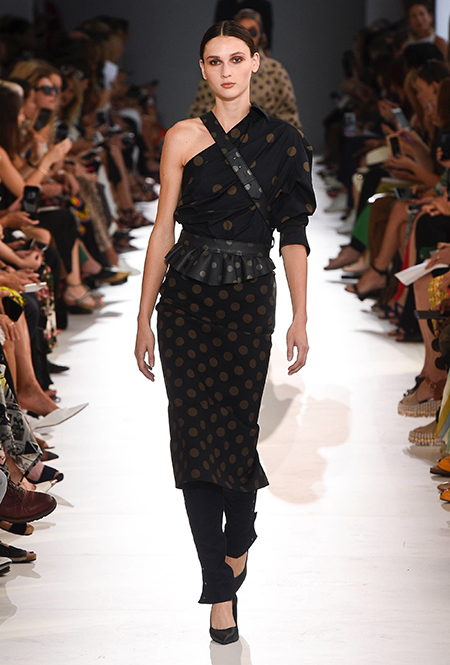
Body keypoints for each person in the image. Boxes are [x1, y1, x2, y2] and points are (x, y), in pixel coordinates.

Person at [135, 20, 315, 644]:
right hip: (185, 299)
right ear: (203, 70)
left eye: (237, 59)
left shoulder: (286, 142)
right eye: (215, 61)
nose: (227, 71)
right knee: (192, 442)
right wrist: (143, 316)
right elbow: (162, 229)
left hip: (248, 298)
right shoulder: (181, 137)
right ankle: (219, 590)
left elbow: (294, 234)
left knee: (236, 436)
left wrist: (300, 315)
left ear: (256, 62)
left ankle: (238, 541)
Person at [188, 9, 302, 129]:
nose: (226, 72)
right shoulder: (215, 73)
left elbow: (289, 115)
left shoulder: (275, 71)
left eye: (252, 32)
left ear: (260, 34)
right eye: (215, 62)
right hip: (216, 135)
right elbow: (199, 111)